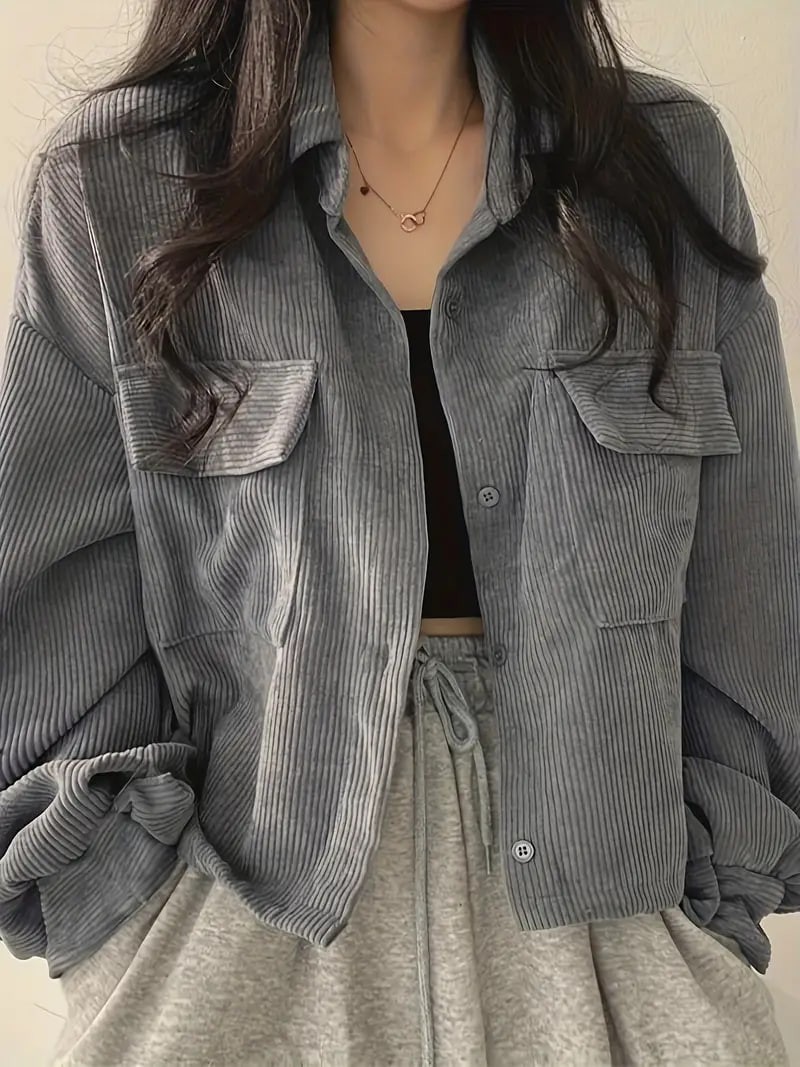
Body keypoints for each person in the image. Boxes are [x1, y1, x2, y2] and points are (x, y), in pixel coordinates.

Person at [0, 0, 797, 1063]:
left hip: (619, 908)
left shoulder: (659, 162)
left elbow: (749, 573)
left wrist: (719, 888)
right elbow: (55, 601)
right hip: (247, 905)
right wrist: (124, 897)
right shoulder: (121, 181)